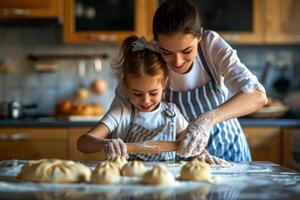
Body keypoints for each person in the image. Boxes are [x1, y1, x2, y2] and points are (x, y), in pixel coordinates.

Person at [151, 0, 268, 162]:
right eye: (167, 52)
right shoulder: (150, 57)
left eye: (186, 51)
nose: (177, 61)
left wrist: (207, 119)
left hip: (230, 153)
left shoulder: (209, 46)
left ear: (199, 35)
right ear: (157, 43)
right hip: (186, 160)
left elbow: (258, 96)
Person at [77, 35, 189, 161]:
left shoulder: (172, 113)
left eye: (153, 93)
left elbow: (191, 143)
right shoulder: (122, 112)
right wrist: (105, 144)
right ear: (126, 85)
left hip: (167, 179)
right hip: (125, 178)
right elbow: (83, 143)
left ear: (164, 83)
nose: (146, 100)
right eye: (137, 93)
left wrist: (202, 154)